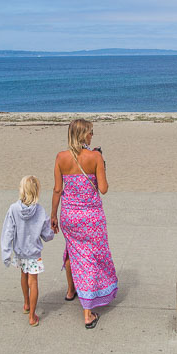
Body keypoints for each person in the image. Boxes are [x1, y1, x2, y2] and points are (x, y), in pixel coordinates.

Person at [51, 119, 118, 329]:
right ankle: (88, 313)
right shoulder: (95, 157)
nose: (92, 137)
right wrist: (102, 164)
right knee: (89, 258)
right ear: (83, 135)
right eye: (90, 133)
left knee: (73, 251)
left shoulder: (61, 158)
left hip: (69, 216)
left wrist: (53, 215)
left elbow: (57, 190)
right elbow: (104, 189)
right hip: (91, 217)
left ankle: (71, 290)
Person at [1, 175, 55, 327]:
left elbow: (8, 232)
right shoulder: (40, 211)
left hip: (20, 251)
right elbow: (47, 235)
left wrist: (6, 254)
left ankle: (26, 303)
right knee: (34, 282)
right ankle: (32, 316)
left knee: (23, 276)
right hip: (33, 253)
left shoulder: (13, 209)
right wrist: (52, 231)